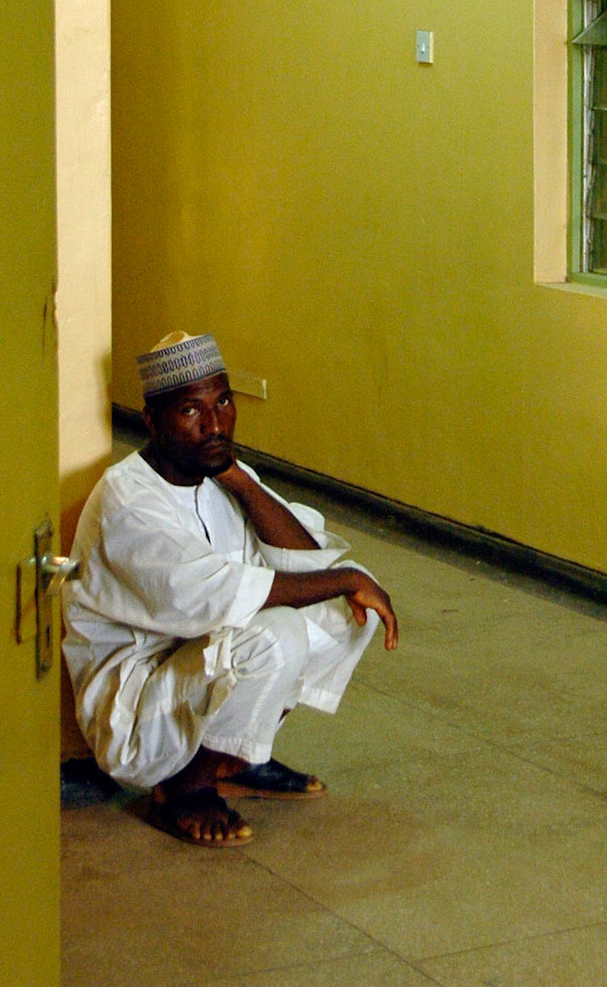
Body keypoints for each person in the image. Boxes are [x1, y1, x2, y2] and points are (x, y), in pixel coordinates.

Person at [63, 330, 399, 846]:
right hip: (137, 706)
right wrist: (347, 578)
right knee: (278, 631)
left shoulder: (213, 473)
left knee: (341, 607)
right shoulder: (128, 500)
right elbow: (218, 595)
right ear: (151, 420)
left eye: (222, 402)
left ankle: (235, 756)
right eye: (190, 411)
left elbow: (307, 559)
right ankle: (185, 788)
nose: (215, 425)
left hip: (195, 667)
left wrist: (239, 480)